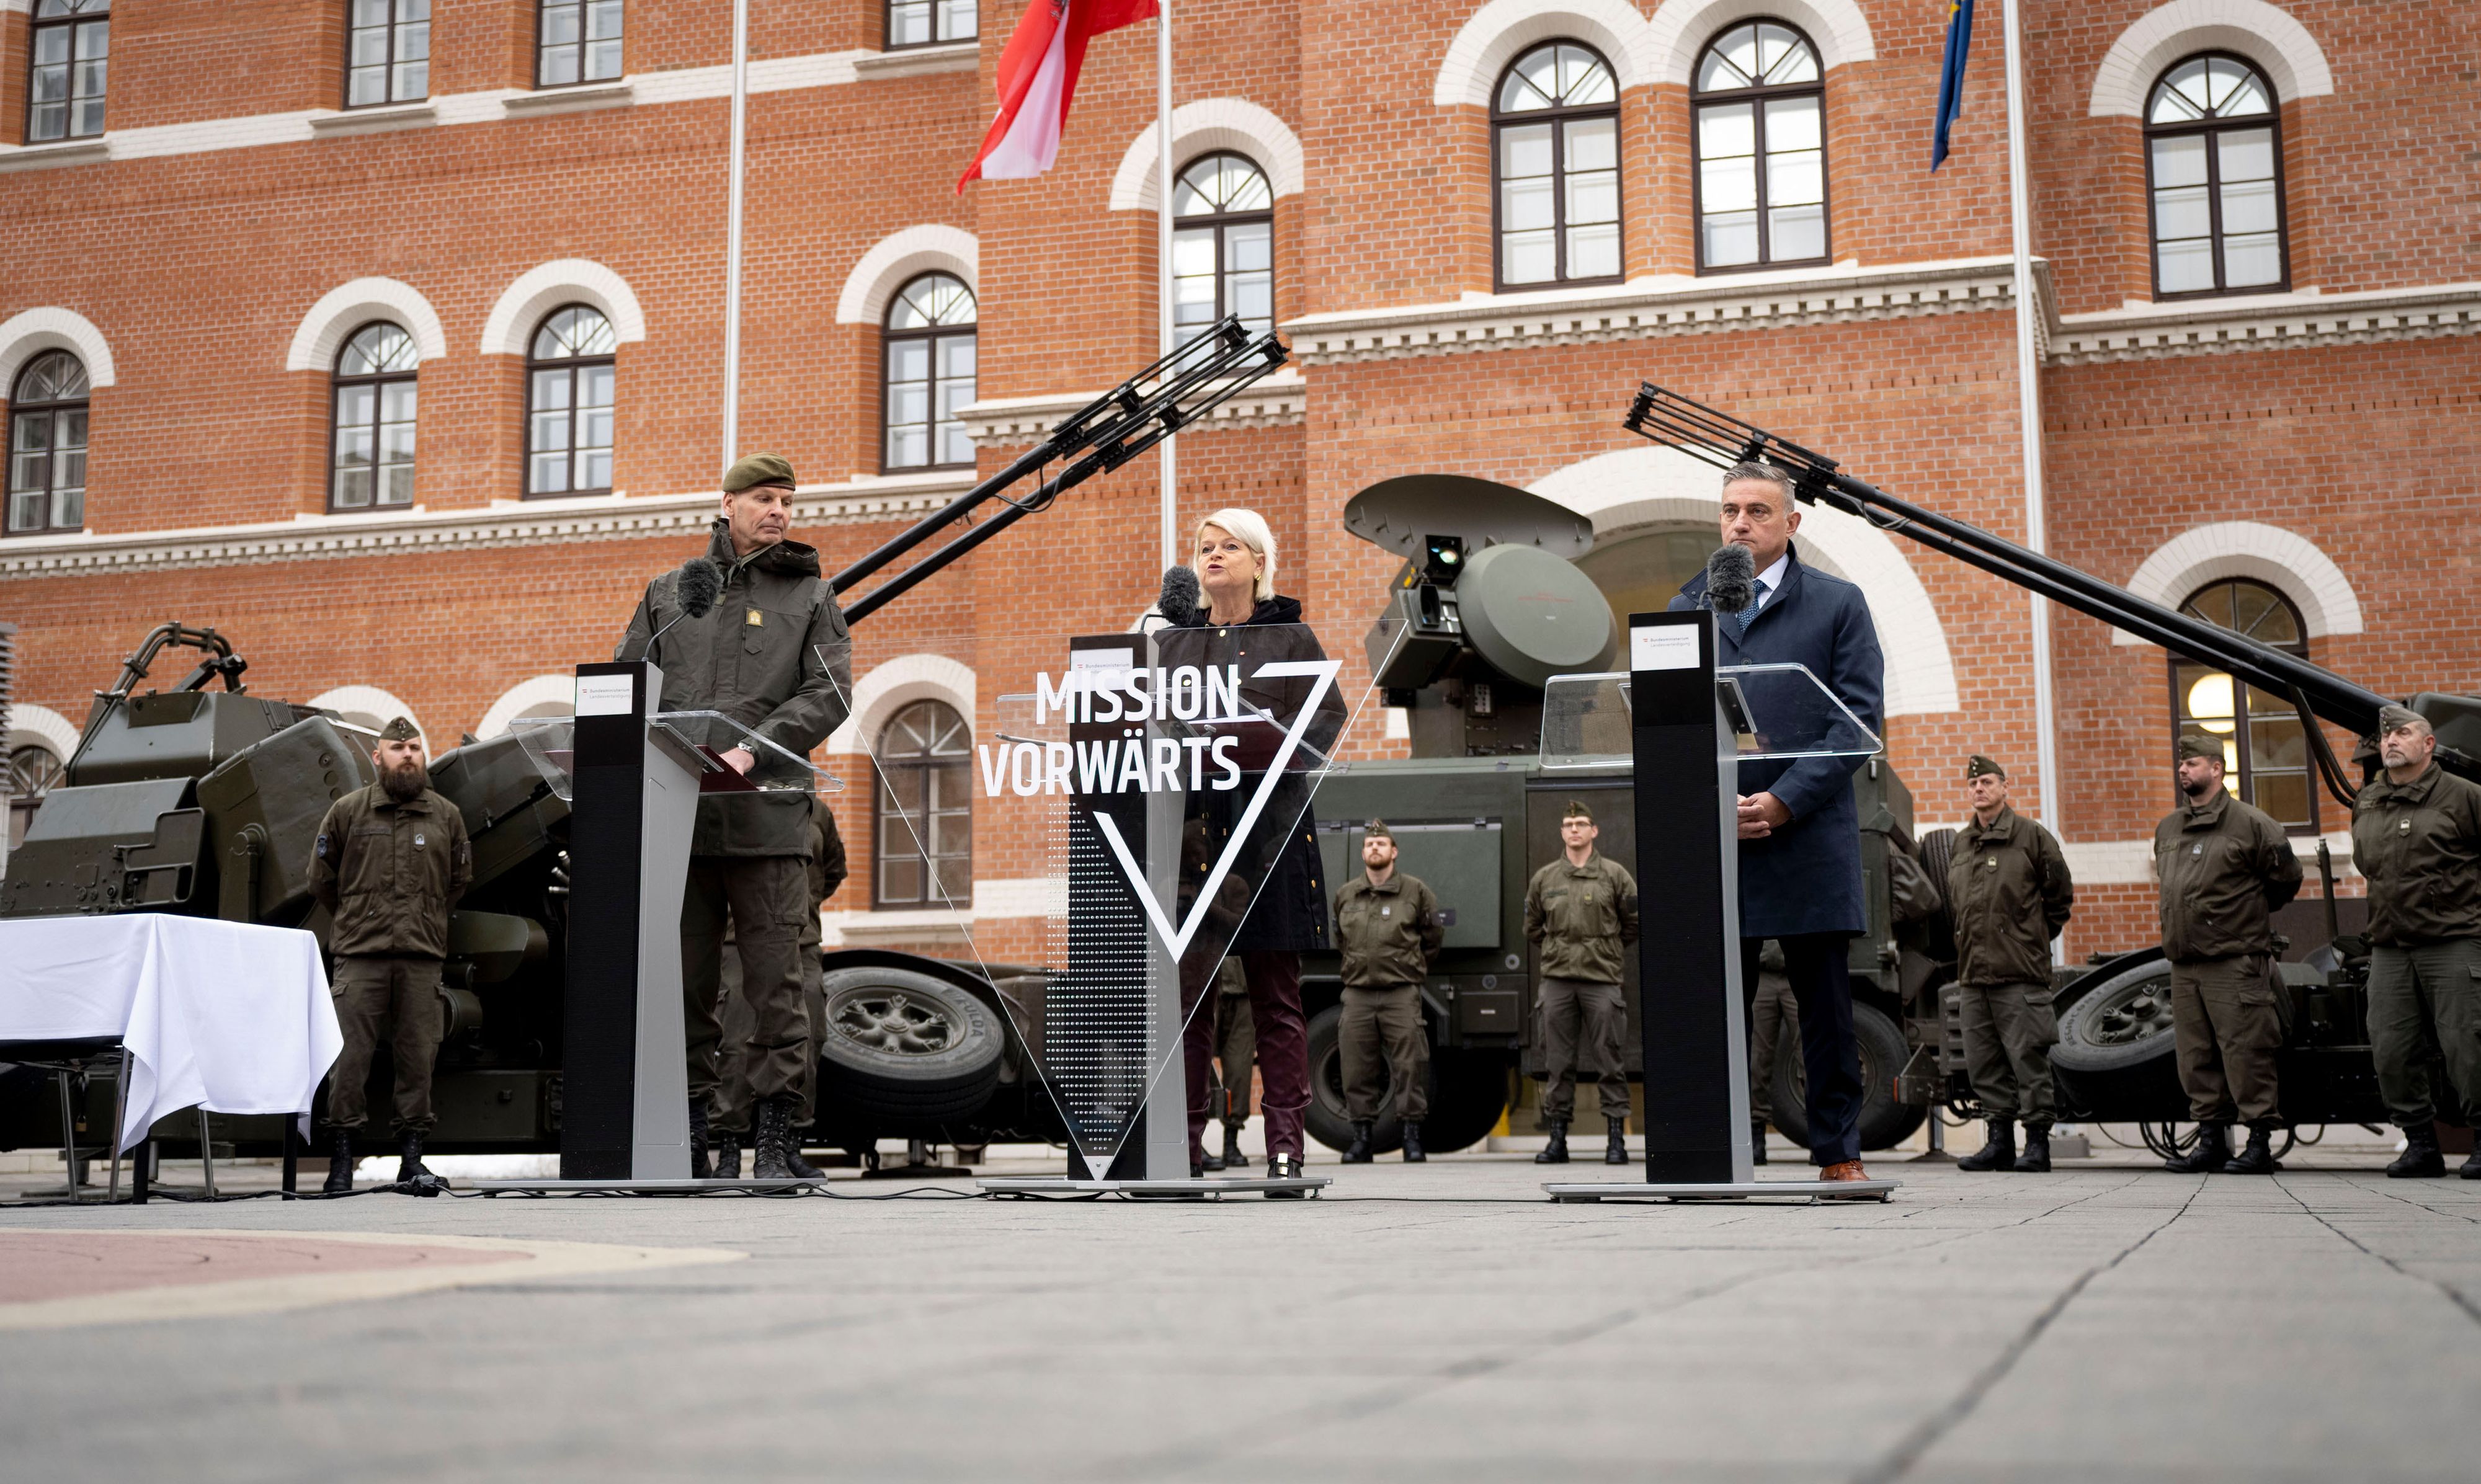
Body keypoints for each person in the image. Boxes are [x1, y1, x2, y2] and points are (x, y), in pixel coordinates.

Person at [618, 452, 852, 1181]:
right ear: (726, 503)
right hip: (678, 824)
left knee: (777, 987)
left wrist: (754, 749)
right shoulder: (668, 593)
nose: (778, 510)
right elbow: (627, 683)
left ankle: (777, 1142)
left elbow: (829, 693)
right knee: (681, 986)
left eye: (786, 498)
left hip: (768, 820)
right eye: (762, 497)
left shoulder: (810, 594)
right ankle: (685, 1138)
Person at [1671, 461, 1886, 1187]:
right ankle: (1719, 1148)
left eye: (1758, 511)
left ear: (1791, 523)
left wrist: (1785, 798)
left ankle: (1838, 1151)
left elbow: (1855, 725)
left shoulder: (1836, 604)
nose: (1739, 523)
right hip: (1718, 843)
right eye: (1730, 509)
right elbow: (1670, 724)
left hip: (1806, 839)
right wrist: (1711, 805)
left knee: (1823, 1008)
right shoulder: (1686, 608)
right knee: (1714, 1008)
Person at [1165, 507, 1343, 1191]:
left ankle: (1285, 1148)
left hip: (1268, 832)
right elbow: (1141, 722)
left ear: (1259, 560)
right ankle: (1182, 1144)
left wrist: (1262, 746)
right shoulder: (1171, 642)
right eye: (1204, 547)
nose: (1212, 555)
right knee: (1190, 998)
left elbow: (1324, 721)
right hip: (1192, 839)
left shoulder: (1291, 636)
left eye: (1228, 545)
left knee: (1276, 994)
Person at [308, 717, 472, 1194]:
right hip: (361, 958)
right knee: (349, 1060)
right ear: (377, 757)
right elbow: (320, 879)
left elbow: (457, 882)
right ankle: (341, 1159)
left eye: (415, 747)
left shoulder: (445, 816)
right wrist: (358, 919)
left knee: (418, 1057)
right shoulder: (348, 812)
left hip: (421, 958)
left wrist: (424, 920)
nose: (408, 755)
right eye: (398, 747)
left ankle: (412, 1158)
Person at [2154, 732, 2304, 1175]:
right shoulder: (2168, 828)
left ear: (2217, 768)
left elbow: (2285, 881)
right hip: (2185, 963)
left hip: (2235, 961)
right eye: (2181, 764)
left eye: (2193, 763)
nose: (2184, 770)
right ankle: (2210, 1141)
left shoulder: (2251, 823)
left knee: (2246, 1051)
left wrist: (2242, 918)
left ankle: (2258, 1142)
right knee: (2195, 1055)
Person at [2350, 704, 2481, 1180]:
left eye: (2403, 733)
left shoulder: (2465, 797)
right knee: (2390, 1046)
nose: (2391, 742)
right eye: (2386, 736)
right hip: (2389, 944)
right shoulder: (2367, 801)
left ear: (2429, 744)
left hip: (2454, 939)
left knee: (2468, 1043)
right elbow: (2371, 867)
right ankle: (2420, 1143)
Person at [1944, 755, 2074, 1173]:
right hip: (1974, 974)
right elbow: (1957, 906)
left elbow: (2059, 899)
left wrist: (2029, 939)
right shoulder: (1962, 843)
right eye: (1973, 784)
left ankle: (2037, 1145)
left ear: (2005, 786)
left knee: (2028, 1060)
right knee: (1985, 1063)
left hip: (2019, 973)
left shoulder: (2032, 837)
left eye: (1986, 781)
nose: (1978, 789)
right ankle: (1999, 1142)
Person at [711, 795, 846, 1180]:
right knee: (736, 1041)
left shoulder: (817, 811)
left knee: (808, 1036)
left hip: (801, 941)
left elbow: (832, 871)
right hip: (739, 940)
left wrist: (805, 905)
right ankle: (729, 1148)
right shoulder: (736, 801)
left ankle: (789, 1145)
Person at [1525, 799, 1640, 1166]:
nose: (1574, 829)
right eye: (1568, 823)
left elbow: (1634, 924)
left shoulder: (1615, 876)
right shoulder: (1545, 879)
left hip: (1601, 981)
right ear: (1562, 832)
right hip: (1557, 982)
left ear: (1594, 831)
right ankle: (1557, 1141)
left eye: (1581, 823)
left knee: (1611, 1061)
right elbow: (1532, 927)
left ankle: (1616, 1141)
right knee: (1558, 1064)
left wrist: (1602, 951)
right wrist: (1563, 951)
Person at [1334, 820, 1445, 1165]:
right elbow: (1341, 940)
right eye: (1370, 845)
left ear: (1394, 851)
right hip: (1358, 993)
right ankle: (1361, 1138)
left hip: (1401, 992)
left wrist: (1409, 968)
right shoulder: (1346, 895)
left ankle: (1411, 1137)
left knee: (1411, 1064)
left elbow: (1432, 937)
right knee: (1355, 1066)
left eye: (1381, 844)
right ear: (1363, 852)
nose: (1375, 849)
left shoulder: (1416, 892)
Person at [1746, 945, 1797, 1166]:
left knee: (1811, 1058)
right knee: (1756, 1060)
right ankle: (1756, 1133)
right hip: (1761, 974)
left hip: (1798, 971)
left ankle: (1820, 1133)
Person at [1201, 958, 1254, 1171]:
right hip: (1203, 986)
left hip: (1243, 988)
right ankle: (1194, 1140)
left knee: (1239, 1068)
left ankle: (1231, 1141)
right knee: (1195, 1066)